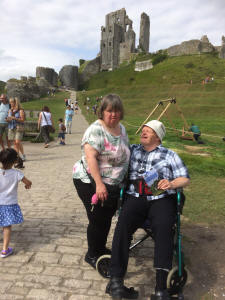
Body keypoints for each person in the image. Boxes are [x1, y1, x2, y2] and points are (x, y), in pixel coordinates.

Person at [106, 120, 190, 300]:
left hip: (161, 198)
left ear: (158, 137)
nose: (143, 133)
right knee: (122, 225)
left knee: (164, 227)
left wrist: (172, 183)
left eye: (148, 131)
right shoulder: (133, 150)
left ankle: (161, 288)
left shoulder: (169, 155)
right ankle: (116, 281)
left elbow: (185, 178)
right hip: (135, 197)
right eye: (142, 130)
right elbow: (115, 148)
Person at [72, 94, 130, 269]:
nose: (114, 114)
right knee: (98, 219)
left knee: (105, 219)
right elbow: (91, 158)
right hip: (90, 181)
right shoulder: (96, 130)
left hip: (112, 184)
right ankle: (92, 255)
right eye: (109, 110)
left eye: (117, 110)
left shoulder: (122, 128)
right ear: (102, 112)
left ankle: (99, 248)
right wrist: (99, 184)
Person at [0, 148, 32, 258]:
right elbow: (28, 182)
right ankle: (5, 250)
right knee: (7, 226)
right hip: (9, 204)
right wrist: (28, 184)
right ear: (14, 162)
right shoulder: (17, 173)